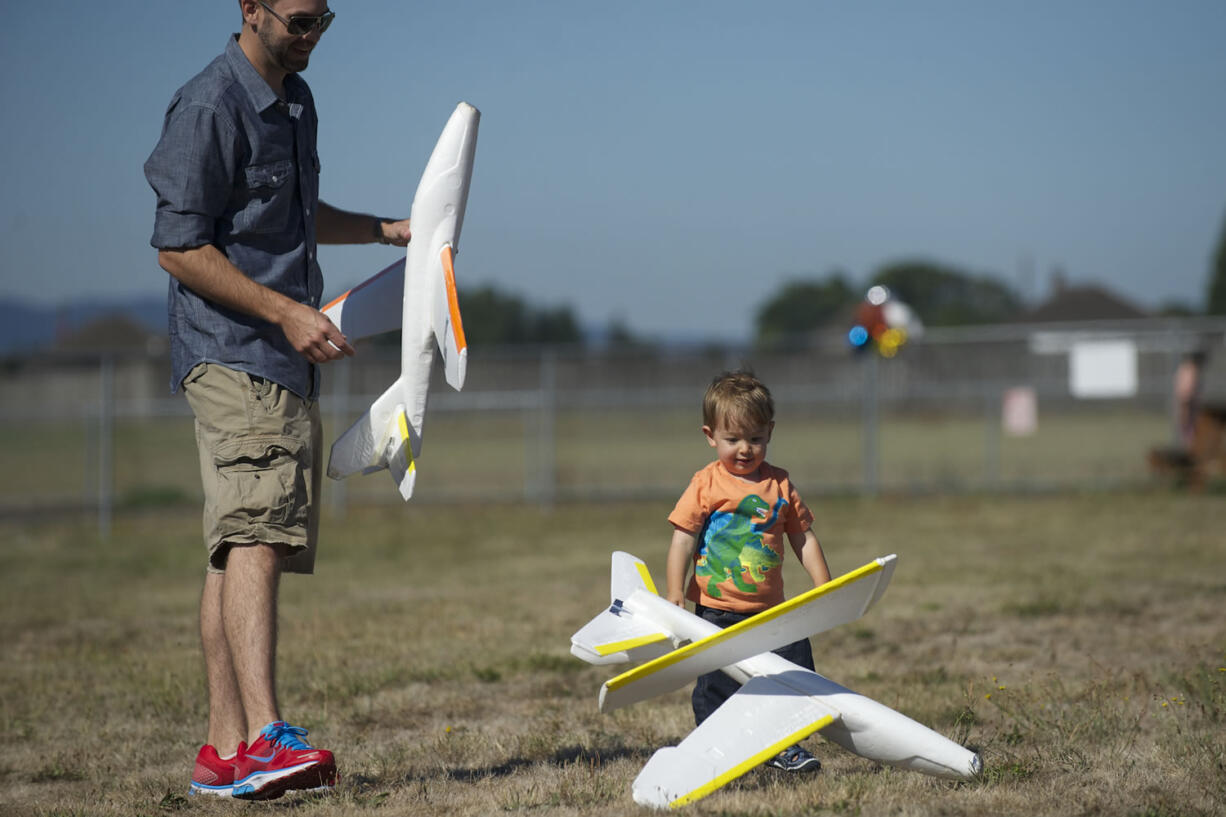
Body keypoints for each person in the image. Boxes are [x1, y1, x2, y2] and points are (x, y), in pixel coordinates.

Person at [144, 1, 410, 800]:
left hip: (282, 361)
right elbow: (178, 246)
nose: (312, 35)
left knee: (236, 547)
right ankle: (265, 736)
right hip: (233, 354)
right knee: (257, 531)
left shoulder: (296, 99)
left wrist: (382, 230)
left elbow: (290, 217)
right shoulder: (209, 104)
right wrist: (288, 312)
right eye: (298, 20)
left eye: (325, 19)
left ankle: (225, 752)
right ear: (249, 9)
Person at [665, 370, 832, 772]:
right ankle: (715, 751)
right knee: (717, 688)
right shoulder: (705, 484)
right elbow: (682, 540)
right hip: (717, 612)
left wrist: (825, 586)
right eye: (733, 439)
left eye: (755, 438)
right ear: (710, 435)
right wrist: (673, 593)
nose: (745, 449)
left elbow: (803, 538)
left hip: (774, 612)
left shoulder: (780, 485)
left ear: (770, 432)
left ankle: (784, 747)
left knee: (796, 679)